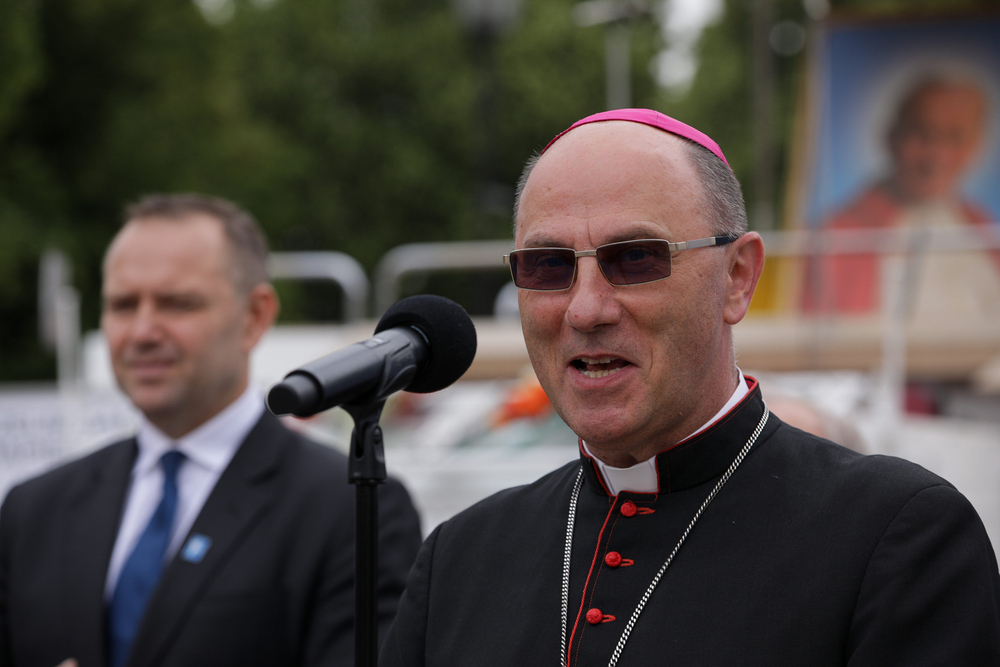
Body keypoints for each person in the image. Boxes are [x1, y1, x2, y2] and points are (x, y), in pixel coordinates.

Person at [379, 109, 1000, 666]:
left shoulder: (895, 538)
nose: (586, 309)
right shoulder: (458, 561)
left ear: (737, 277)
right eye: (549, 265)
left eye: (635, 258)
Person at [0, 194, 422, 667]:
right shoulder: (33, 511)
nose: (142, 331)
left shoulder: (352, 509)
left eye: (177, 304)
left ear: (255, 316)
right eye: (122, 305)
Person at [803, 75, 1000, 318]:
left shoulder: (982, 227)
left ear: (975, 146)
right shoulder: (840, 234)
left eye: (954, 137)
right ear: (892, 136)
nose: (936, 154)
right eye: (922, 133)